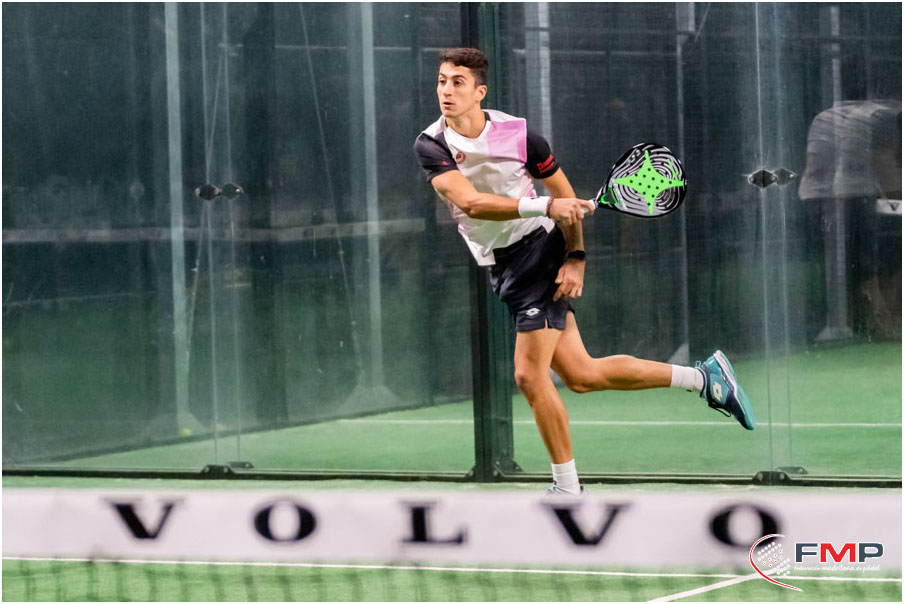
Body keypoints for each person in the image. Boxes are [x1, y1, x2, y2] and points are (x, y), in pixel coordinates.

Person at [413, 48, 755, 495]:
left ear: (480, 92)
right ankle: (704, 378)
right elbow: (471, 203)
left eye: (457, 82)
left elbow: (564, 194)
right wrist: (546, 206)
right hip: (501, 262)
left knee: (528, 376)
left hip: (537, 252)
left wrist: (576, 256)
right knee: (581, 375)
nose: (446, 90)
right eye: (442, 80)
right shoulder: (432, 143)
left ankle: (567, 489)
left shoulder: (520, 135)